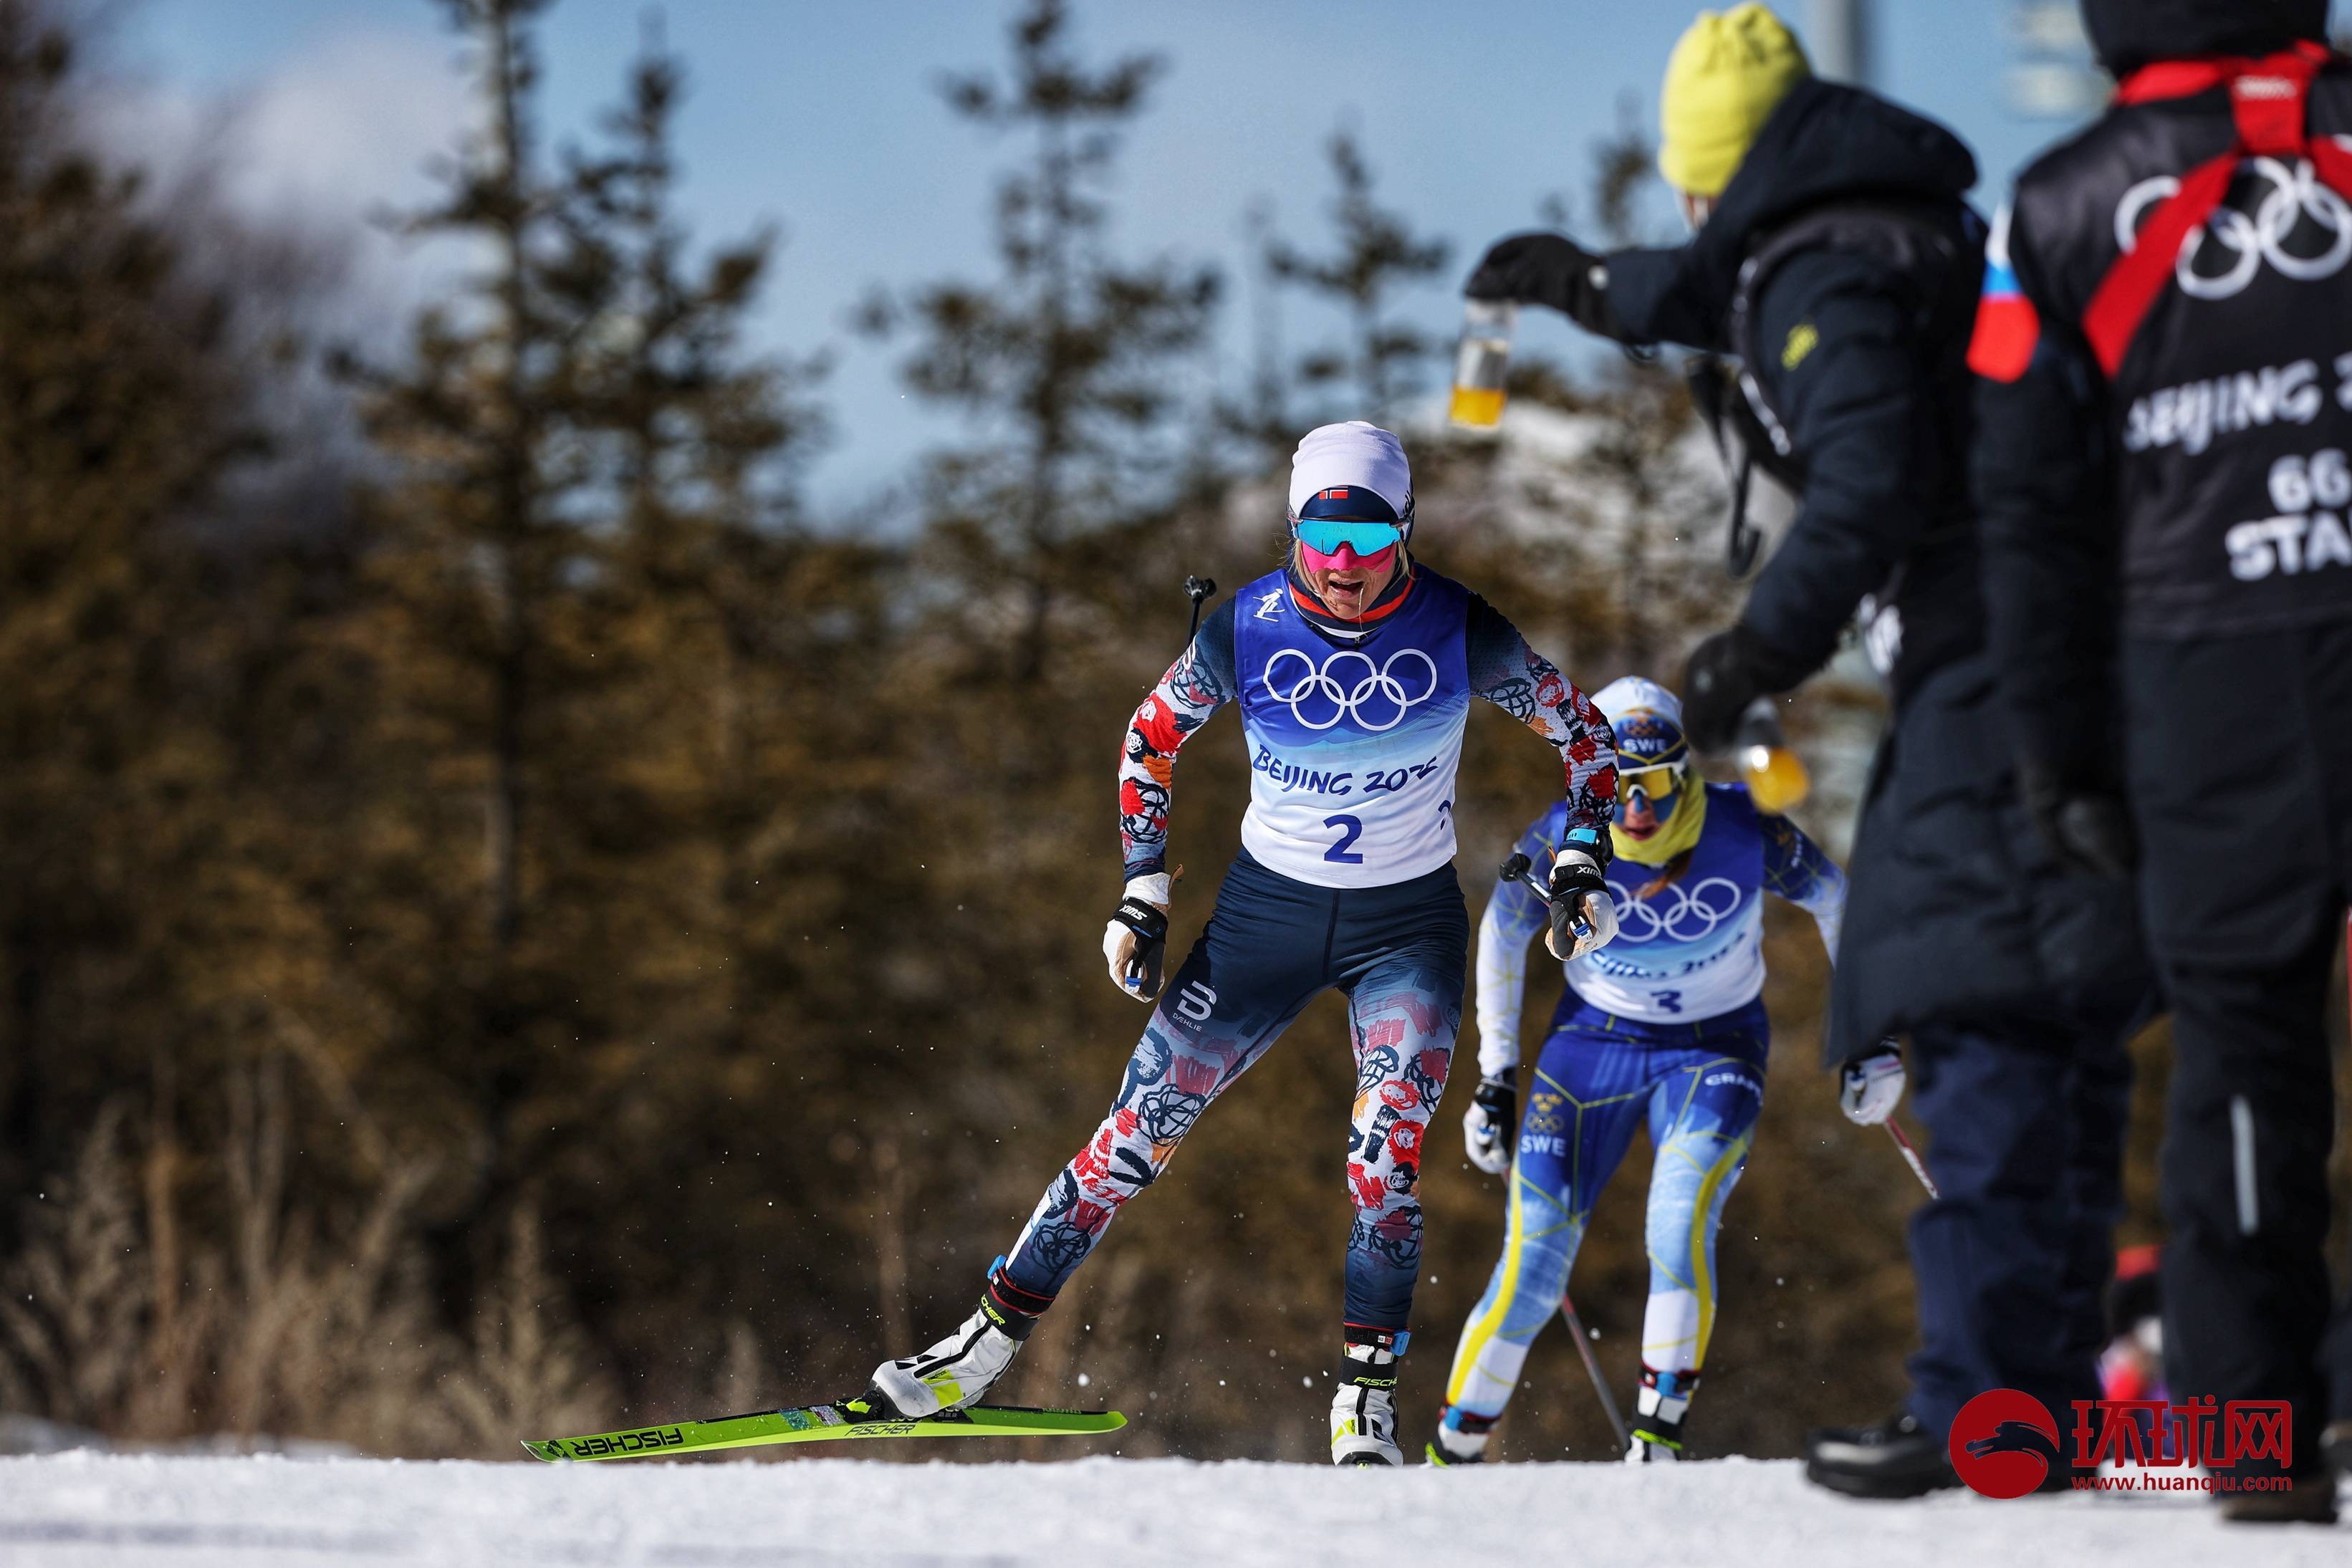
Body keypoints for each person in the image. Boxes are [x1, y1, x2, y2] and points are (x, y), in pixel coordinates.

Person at [1460, 3, 2150, 1497]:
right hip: (2077, 656)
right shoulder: (1895, 227)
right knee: (2045, 997)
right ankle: (2059, 1383)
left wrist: (1751, 655)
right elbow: (1716, 289)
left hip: (1994, 670)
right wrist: (1588, 286)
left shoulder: (1818, 268)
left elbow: (1870, 476)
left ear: (1718, 173)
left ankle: (1990, 1397)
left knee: (1949, 982)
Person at [863, 421, 1621, 1466]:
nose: (1343, 568)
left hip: (1405, 928)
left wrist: (1581, 858)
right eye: (1320, 540)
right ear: (1291, 533)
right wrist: (1139, 891)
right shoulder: (1246, 626)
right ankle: (979, 1350)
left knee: (1381, 1157)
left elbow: (1588, 742)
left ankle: (1362, 1401)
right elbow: (1148, 740)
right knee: (1134, 1134)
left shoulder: (1456, 624)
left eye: (1365, 540)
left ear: (1404, 531)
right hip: (1264, 920)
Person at [1968, 0, 2350, 1521]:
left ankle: (2260, 1445)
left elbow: (2028, 513)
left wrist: (2060, 757)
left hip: (2207, 670)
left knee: (2245, 1048)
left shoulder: (2058, 203)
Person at [1426, 677, 1861, 1467]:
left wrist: (1868, 1032)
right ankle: (1449, 1456)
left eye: (1656, 784)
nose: (1635, 808)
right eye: (1617, 787)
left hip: (1714, 1048)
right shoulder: (1563, 836)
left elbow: (1838, 899)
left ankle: (1657, 1441)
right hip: (1591, 1050)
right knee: (1530, 1261)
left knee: (1677, 1220)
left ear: (1686, 774)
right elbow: (1499, 933)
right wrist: (1494, 1075)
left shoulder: (1744, 825)